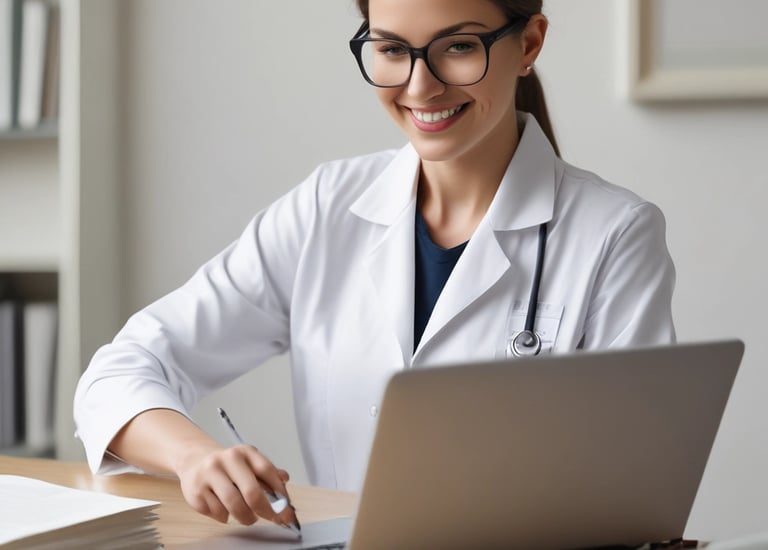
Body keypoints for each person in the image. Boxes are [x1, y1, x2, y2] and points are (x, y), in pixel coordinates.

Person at [73, 0, 675, 531]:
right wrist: (194, 457)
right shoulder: (325, 209)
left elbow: (630, 489)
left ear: (530, 44)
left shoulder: (613, 234)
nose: (420, 87)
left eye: (458, 47)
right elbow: (123, 369)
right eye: (391, 49)